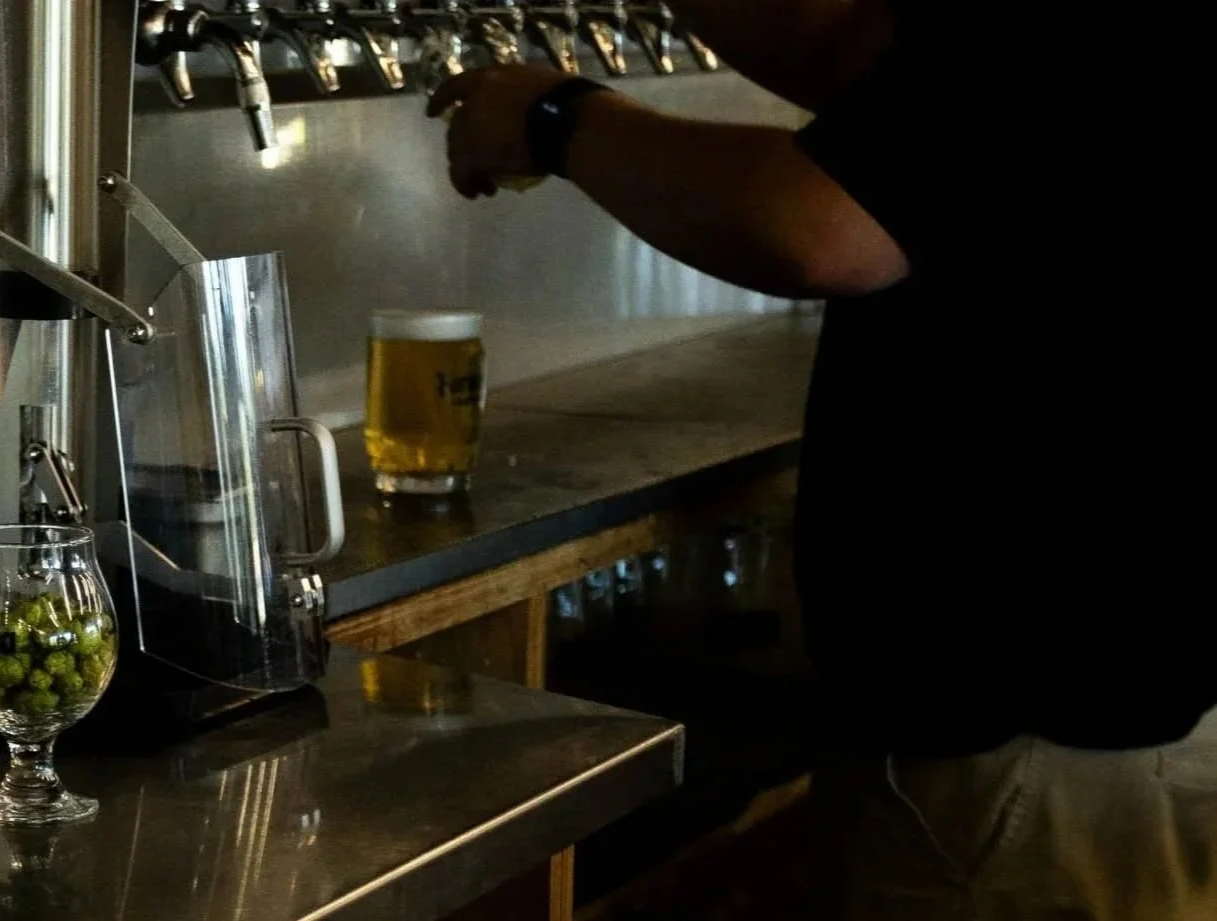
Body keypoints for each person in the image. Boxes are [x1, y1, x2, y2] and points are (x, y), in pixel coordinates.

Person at [427, 3, 1217, 919]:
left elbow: (812, 225)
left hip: (1025, 765)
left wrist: (557, 120)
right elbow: (875, 76)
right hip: (1120, 728)